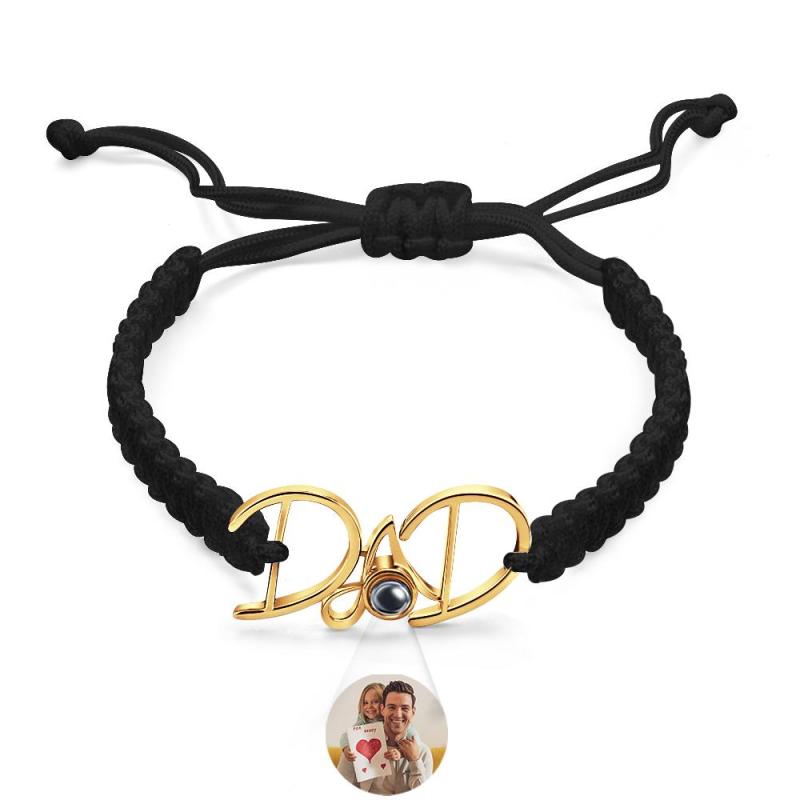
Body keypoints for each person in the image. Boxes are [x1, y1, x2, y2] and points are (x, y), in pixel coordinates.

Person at [337, 680, 433, 794]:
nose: (398, 714)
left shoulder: (423, 752)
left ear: (413, 712)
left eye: (405, 708)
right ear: (382, 709)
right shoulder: (355, 745)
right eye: (391, 707)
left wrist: (415, 760)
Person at [339, 682, 418, 763]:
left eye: (375, 702)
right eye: (366, 703)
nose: (369, 706)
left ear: (383, 705)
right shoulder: (362, 721)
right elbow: (346, 735)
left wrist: (401, 753)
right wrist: (346, 748)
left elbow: (414, 739)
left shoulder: (393, 722)